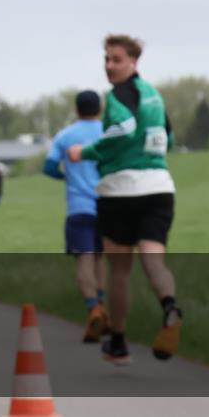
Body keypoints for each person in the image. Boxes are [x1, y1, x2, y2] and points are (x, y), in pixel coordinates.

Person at [68, 34, 182, 365]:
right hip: (159, 188)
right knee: (154, 261)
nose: (109, 66)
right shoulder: (154, 95)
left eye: (116, 59)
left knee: (119, 270)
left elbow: (126, 128)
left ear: (133, 61)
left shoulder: (117, 95)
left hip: (120, 191)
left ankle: (118, 341)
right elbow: (169, 139)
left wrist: (87, 151)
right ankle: (170, 307)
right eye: (106, 59)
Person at [43, 90, 108, 342]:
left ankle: (93, 309)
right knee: (100, 258)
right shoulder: (108, 132)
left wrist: (66, 176)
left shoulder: (65, 135)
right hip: (108, 203)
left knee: (84, 259)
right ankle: (102, 307)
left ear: (77, 109)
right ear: (99, 109)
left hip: (79, 206)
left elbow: (49, 167)